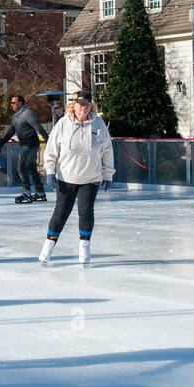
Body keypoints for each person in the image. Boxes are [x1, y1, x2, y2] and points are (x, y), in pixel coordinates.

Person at [38, 94, 114, 266]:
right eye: (80, 105)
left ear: (90, 107)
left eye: (86, 105)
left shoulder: (98, 124)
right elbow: (51, 150)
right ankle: (48, 246)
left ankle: (84, 248)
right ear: (74, 106)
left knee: (86, 211)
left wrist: (108, 173)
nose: (83, 108)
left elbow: (107, 150)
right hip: (67, 177)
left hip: (91, 178)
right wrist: (50, 170)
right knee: (61, 212)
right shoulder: (63, 123)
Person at [0, 94, 47, 203]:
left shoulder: (28, 114)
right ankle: (40, 192)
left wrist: (48, 141)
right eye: (11, 103)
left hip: (30, 144)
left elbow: (38, 128)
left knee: (21, 168)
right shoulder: (16, 116)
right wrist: (2, 142)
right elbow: (11, 131)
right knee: (31, 167)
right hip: (24, 145)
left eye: (14, 103)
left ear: (21, 103)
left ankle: (27, 192)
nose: (12, 105)